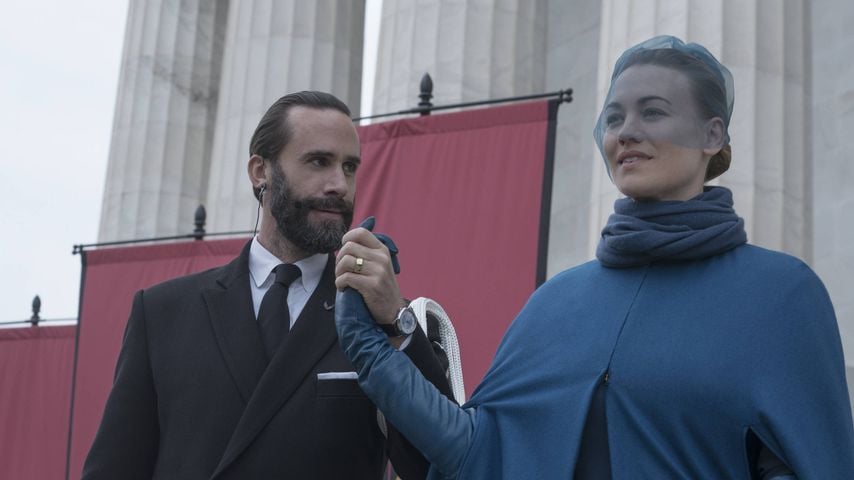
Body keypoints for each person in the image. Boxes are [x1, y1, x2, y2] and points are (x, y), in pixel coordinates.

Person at [334, 36, 854, 479]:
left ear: (711, 135)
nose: (625, 131)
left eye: (653, 111)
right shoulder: (558, 300)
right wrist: (376, 348)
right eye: (614, 117)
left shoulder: (782, 294)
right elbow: (476, 451)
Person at [82, 91, 453, 479]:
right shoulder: (162, 313)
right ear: (261, 171)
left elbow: (444, 465)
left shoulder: (388, 321)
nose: (339, 185)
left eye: (349, 167)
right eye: (318, 161)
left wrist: (395, 322)